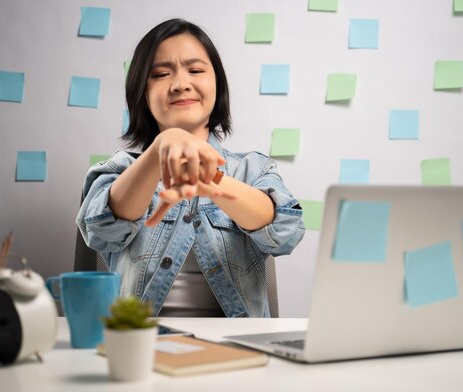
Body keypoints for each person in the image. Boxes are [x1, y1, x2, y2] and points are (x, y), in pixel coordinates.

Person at [76, 18, 305, 318]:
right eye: (160, 73)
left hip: (236, 353)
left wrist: (211, 179)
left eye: (195, 70)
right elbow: (100, 228)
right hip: (142, 348)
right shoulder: (120, 170)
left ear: (216, 85)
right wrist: (160, 148)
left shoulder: (253, 169)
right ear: (142, 94)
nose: (181, 83)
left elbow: (287, 231)